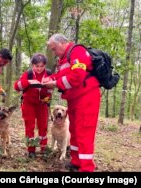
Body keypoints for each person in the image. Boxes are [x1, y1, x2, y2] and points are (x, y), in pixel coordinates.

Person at [42, 34, 101, 172]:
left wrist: (55, 83)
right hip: (74, 99)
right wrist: (48, 79)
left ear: (62, 43)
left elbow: (78, 76)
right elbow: (62, 75)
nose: (54, 52)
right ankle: (76, 161)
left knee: (84, 132)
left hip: (87, 97)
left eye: (54, 49)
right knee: (73, 130)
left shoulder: (77, 52)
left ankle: (86, 168)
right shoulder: (63, 59)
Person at [14, 53, 53, 158]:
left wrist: (47, 98)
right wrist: (28, 82)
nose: (39, 69)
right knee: (29, 126)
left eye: (41, 66)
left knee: (43, 126)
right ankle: (31, 150)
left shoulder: (48, 73)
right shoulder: (28, 74)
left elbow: (50, 90)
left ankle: (44, 148)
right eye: (37, 66)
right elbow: (17, 86)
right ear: (32, 65)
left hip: (42, 104)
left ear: (45, 65)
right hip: (28, 104)